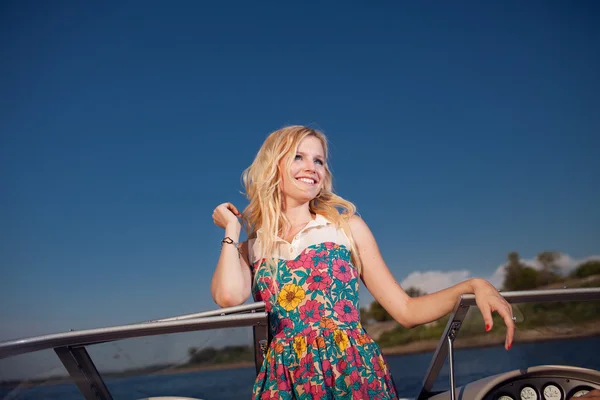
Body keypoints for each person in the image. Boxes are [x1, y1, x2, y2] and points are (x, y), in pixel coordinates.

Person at [211, 125, 516, 399]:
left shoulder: (346, 227)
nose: (311, 168)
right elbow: (228, 296)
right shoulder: (252, 248)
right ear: (273, 165)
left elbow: (407, 311)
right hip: (286, 382)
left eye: (318, 160)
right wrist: (232, 229)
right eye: (298, 157)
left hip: (352, 372)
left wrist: (475, 285)